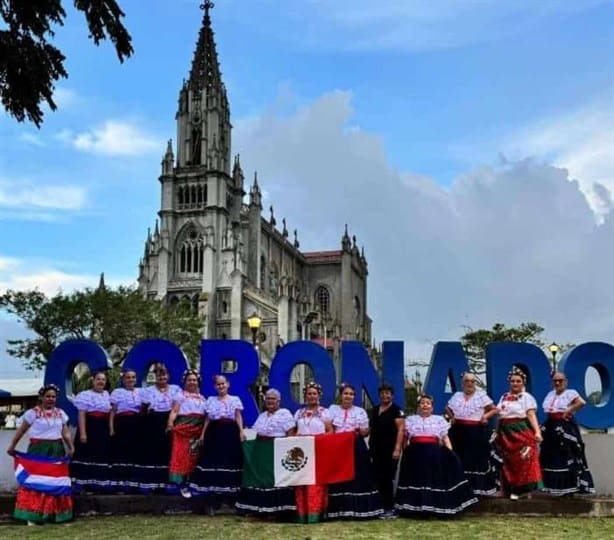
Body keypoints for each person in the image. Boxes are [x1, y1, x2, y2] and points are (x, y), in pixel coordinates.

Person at [395, 394, 477, 515]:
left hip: (433, 453)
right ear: (418, 406)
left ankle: (433, 507)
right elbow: (405, 438)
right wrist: (403, 450)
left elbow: (445, 438)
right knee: (416, 479)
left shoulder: (439, 420)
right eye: (422, 403)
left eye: (428, 403)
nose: (425, 405)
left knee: (432, 479)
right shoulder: (411, 420)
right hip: (415, 454)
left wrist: (450, 453)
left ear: (432, 407)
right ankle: (414, 508)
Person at [6, 384, 74, 525]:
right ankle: (33, 516)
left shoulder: (61, 413)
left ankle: (53, 515)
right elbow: (21, 431)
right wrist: (12, 446)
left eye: (53, 397)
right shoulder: (33, 413)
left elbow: (65, 432)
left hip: (56, 450)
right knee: (36, 482)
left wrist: (70, 446)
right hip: (38, 451)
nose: (51, 399)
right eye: (48, 396)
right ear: (41, 397)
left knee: (54, 482)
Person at [236, 388, 296, 519]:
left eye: (273, 399)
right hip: (262, 451)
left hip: (277, 449)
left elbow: (291, 433)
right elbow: (255, 433)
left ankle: (277, 510)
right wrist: (244, 433)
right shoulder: (262, 416)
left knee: (274, 479)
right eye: (268, 399)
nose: (270, 401)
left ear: (279, 401)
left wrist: (286, 450)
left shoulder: (284, 414)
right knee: (262, 480)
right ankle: (261, 509)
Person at [327, 383, 384, 520]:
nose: (348, 396)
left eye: (351, 394)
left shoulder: (360, 411)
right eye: (346, 393)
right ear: (340, 395)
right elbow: (329, 429)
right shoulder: (332, 410)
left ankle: (359, 509)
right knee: (339, 477)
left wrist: (362, 431)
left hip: (356, 446)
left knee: (359, 475)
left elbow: (365, 432)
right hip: (338, 446)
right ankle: (340, 510)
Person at [191, 374, 245, 510]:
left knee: (230, 462)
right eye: (218, 384)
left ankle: (231, 499)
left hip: (230, 432)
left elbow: (238, 416)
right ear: (215, 386)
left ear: (228, 384)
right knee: (214, 462)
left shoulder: (235, 400)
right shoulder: (211, 400)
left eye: (223, 384)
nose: (221, 386)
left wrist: (241, 431)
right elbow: (208, 419)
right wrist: (203, 434)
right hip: (214, 433)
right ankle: (212, 501)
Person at [540, 371, 595, 496]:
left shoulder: (571, 393)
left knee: (568, 454)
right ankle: (556, 487)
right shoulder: (550, 394)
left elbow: (581, 402)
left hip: (565, 426)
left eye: (560, 380)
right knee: (551, 455)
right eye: (555, 381)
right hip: (550, 425)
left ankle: (571, 487)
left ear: (566, 381)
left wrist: (568, 411)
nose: (558, 383)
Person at [493, 366, 543, 499]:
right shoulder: (504, 396)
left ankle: (523, 491)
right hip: (505, 432)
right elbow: (500, 415)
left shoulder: (526, 397)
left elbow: (531, 415)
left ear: (523, 383)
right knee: (506, 461)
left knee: (523, 461)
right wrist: (496, 432)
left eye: (518, 381)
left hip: (521, 431)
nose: (515, 384)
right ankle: (506, 490)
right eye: (513, 381)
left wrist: (537, 432)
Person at [445, 372, 498, 496]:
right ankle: (460, 487)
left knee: (475, 459)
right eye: (467, 381)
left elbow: (495, 409)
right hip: (458, 431)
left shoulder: (481, 396)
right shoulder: (457, 395)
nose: (469, 383)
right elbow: (447, 408)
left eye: (472, 381)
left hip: (475, 430)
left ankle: (477, 488)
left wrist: (485, 415)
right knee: (459, 458)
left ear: (475, 383)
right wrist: (452, 417)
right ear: (462, 383)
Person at [293, 381, 332, 524]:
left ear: (319, 395)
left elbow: (330, 431)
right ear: (305, 395)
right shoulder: (299, 413)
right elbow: (295, 431)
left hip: (318, 451)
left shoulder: (324, 412)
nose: (311, 396)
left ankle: (316, 514)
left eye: (314, 393)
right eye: (309, 393)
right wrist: (296, 436)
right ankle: (302, 514)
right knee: (301, 482)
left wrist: (318, 439)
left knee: (316, 484)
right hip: (302, 453)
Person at [140, 364, 182, 492]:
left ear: (168, 376)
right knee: (152, 451)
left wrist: (170, 422)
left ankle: (167, 484)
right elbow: (143, 410)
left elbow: (176, 407)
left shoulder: (175, 389)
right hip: (153, 421)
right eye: (159, 375)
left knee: (168, 451)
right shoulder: (148, 390)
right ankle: (151, 483)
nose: (162, 377)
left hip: (169, 420)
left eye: (164, 375)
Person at [167, 369, 207, 498]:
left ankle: (190, 483)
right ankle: (179, 484)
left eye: (194, 380)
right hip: (183, 429)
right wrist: (170, 423)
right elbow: (174, 411)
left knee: (193, 457)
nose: (192, 382)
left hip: (197, 430)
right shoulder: (180, 396)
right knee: (181, 455)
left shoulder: (203, 398)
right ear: (185, 382)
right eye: (189, 380)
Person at [71, 371, 112, 492]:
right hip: (90, 425)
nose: (101, 382)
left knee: (100, 454)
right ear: (93, 381)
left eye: (103, 380)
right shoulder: (85, 395)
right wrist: (83, 433)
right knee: (86, 453)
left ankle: (99, 483)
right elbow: (82, 414)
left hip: (102, 428)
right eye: (98, 379)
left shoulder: (107, 395)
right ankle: (82, 483)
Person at [368, 383, 405, 519]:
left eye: (388, 393)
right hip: (375, 449)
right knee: (377, 477)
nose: (385, 396)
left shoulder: (397, 410)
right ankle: (380, 507)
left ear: (392, 395)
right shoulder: (375, 409)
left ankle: (390, 508)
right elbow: (370, 429)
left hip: (390, 449)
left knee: (388, 478)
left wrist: (397, 448)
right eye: (383, 393)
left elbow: (401, 429)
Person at [109, 369, 145, 492]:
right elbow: (113, 412)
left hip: (137, 424)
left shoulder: (141, 392)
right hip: (122, 423)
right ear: (123, 380)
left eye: (133, 377)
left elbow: (144, 409)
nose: (130, 380)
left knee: (135, 452)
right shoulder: (117, 392)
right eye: (128, 377)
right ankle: (120, 482)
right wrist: (111, 427)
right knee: (121, 452)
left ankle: (134, 482)